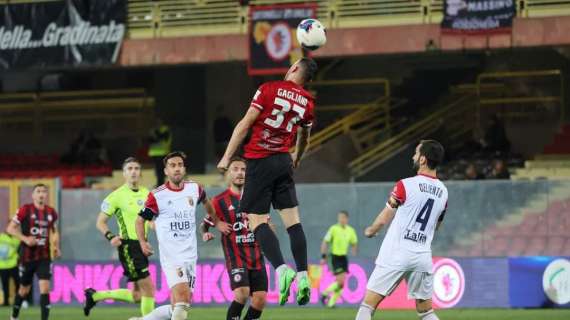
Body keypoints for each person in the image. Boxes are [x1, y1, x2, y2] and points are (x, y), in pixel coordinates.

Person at [217, 57, 318, 306]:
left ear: (294, 68)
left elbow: (245, 124)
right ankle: (304, 275)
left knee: (256, 221)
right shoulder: (308, 102)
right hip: (284, 160)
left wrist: (227, 157)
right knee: (293, 222)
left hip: (260, 160)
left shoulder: (269, 88)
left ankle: (282, 270)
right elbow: (305, 136)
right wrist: (296, 157)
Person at [131, 151, 230, 320]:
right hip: (171, 256)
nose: (176, 169)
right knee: (183, 300)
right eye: (172, 166)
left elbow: (207, 202)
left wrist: (217, 222)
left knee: (177, 307)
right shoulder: (158, 195)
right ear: (166, 171)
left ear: (184, 169)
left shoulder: (195, 189)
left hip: (190, 256)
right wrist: (143, 242)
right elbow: (139, 221)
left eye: (179, 165)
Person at [355, 140, 448, 320]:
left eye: (415, 153)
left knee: (367, 306)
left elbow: (384, 217)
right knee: (426, 312)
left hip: (397, 254)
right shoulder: (443, 192)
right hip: (422, 256)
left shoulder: (405, 185)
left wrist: (371, 230)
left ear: (422, 159)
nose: (413, 156)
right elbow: (437, 225)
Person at [83, 157, 155, 317]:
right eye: (130, 168)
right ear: (124, 173)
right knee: (149, 289)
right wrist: (110, 236)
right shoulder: (116, 196)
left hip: (143, 245)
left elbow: (150, 220)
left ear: (141, 172)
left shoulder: (148, 194)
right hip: (129, 246)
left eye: (136, 168)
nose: (133, 171)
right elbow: (100, 222)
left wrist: (155, 226)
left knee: (137, 296)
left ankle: (95, 296)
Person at [201, 156, 267, 320]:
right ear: (228, 174)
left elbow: (264, 221)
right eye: (235, 169)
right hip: (236, 256)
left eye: (243, 169)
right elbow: (204, 224)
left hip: (257, 256)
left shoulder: (257, 197)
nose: (240, 173)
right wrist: (212, 228)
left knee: (260, 300)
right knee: (242, 294)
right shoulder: (219, 201)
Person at [7, 184, 61, 320]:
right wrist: (25, 239)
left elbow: (54, 231)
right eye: (38, 191)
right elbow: (10, 228)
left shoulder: (51, 212)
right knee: (24, 290)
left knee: (45, 288)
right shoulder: (25, 210)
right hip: (27, 257)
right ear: (33, 195)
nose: (41, 194)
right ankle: (14, 316)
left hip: (44, 257)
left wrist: (56, 246)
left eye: (44, 191)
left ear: (46, 195)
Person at [320, 210, 358, 308]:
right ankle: (325, 293)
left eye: (343, 217)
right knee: (340, 281)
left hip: (344, 258)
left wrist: (354, 249)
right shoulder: (333, 229)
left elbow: (354, 242)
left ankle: (331, 303)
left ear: (347, 219)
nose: (341, 219)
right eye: (339, 217)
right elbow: (325, 242)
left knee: (341, 284)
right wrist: (323, 256)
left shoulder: (350, 230)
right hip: (335, 257)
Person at [148, 118, 172, 186]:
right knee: (158, 169)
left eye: (159, 122)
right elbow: (150, 140)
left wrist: (155, 134)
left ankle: (160, 184)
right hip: (154, 153)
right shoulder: (152, 130)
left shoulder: (165, 129)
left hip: (163, 152)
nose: (157, 124)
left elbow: (162, 138)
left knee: (161, 169)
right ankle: (159, 183)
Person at [0, 226, 20, 306]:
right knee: (5, 285)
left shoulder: (17, 239)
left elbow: (20, 250)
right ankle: (6, 302)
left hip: (13, 264)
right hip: (3, 265)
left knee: (18, 283)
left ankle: (18, 301)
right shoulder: (1, 237)